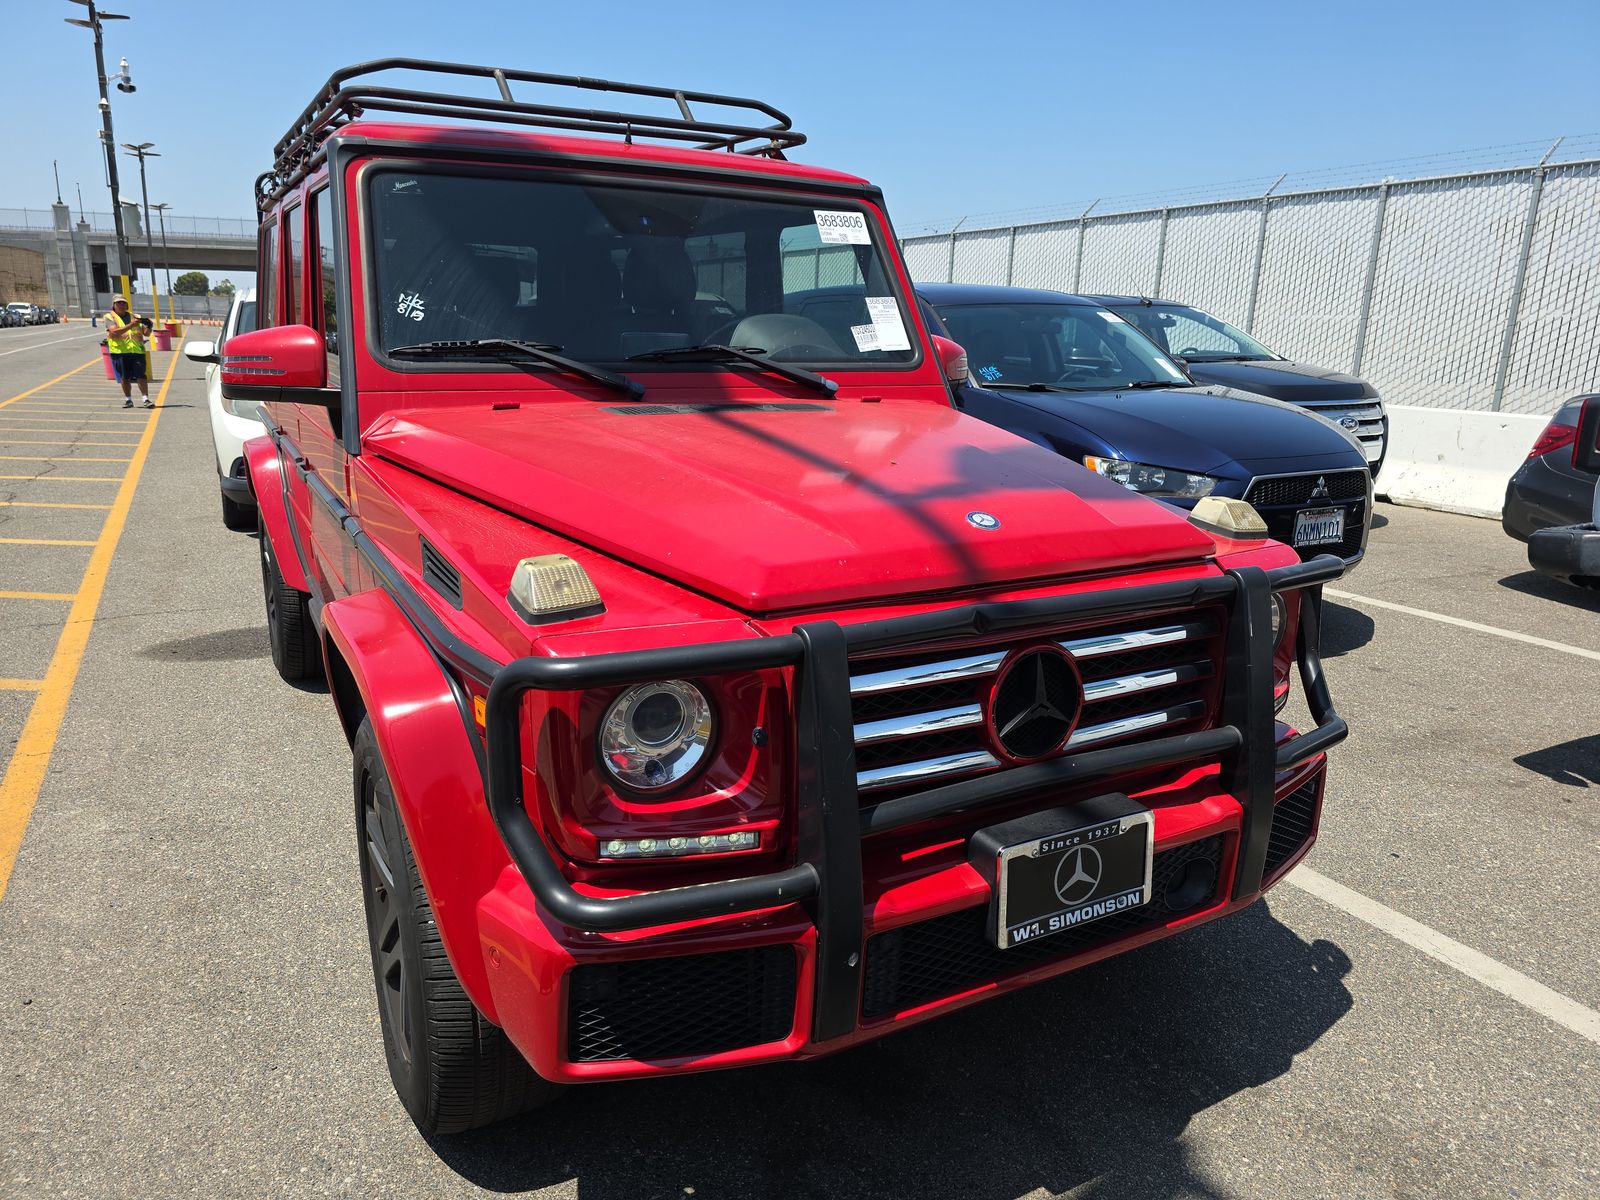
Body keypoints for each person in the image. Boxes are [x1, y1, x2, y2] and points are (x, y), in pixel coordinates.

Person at [103, 297, 152, 409]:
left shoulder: (136, 317)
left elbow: (146, 333)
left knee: (141, 376)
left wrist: (149, 325)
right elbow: (114, 332)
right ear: (114, 305)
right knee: (124, 377)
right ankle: (128, 399)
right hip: (120, 352)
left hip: (137, 350)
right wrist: (131, 325)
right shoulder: (109, 317)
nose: (121, 305)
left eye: (123, 303)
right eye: (118, 303)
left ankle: (146, 399)